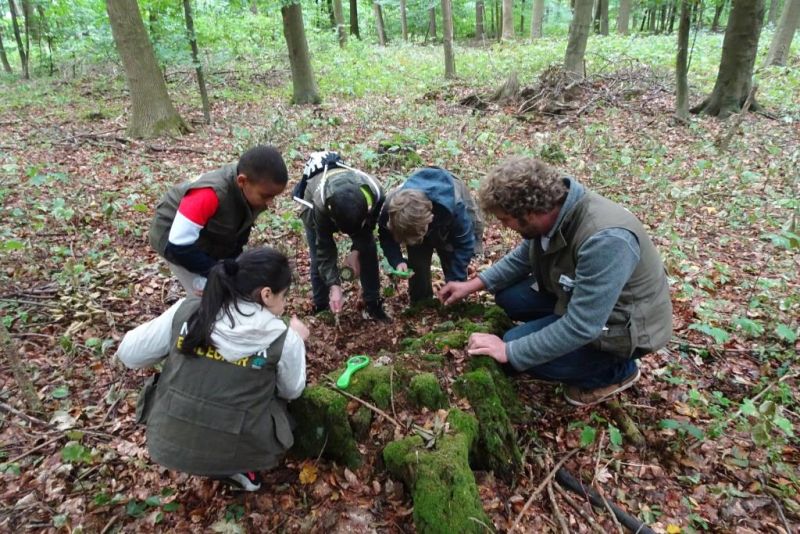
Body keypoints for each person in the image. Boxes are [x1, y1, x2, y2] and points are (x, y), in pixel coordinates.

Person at [438, 157, 672, 406]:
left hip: (623, 327)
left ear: (528, 213)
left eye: (505, 220)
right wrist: (472, 285)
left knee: (514, 349)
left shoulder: (605, 240)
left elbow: (582, 326)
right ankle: (556, 337)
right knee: (509, 298)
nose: (504, 227)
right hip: (580, 299)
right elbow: (523, 258)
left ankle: (617, 372)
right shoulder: (556, 212)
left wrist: (510, 351)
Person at [116, 247, 309, 491]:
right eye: (284, 296)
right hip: (242, 449)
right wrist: (298, 342)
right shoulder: (283, 337)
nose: (284, 304)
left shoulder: (190, 310)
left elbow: (129, 353)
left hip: (166, 443)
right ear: (267, 294)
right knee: (278, 396)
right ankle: (240, 467)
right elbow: (292, 390)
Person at [149, 145, 289, 294]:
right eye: (266, 196)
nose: (270, 202)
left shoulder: (252, 188)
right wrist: (216, 274)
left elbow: (237, 234)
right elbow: (179, 245)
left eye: (274, 197)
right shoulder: (209, 194)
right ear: (242, 181)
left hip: (208, 236)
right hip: (174, 238)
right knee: (208, 294)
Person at [293, 151, 389, 321]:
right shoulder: (321, 206)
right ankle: (322, 306)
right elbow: (325, 249)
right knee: (318, 256)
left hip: (353, 206)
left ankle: (373, 303)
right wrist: (334, 286)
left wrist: (357, 250)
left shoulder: (375, 191)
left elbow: (368, 228)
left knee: (368, 247)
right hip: (312, 204)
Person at [378, 166, 484, 304]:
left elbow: (464, 245)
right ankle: (421, 303)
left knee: (452, 260)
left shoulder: (456, 209)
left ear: (430, 219)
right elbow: (386, 237)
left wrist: (454, 280)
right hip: (420, 219)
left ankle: (455, 303)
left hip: (447, 219)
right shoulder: (392, 209)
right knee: (417, 264)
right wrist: (397, 261)